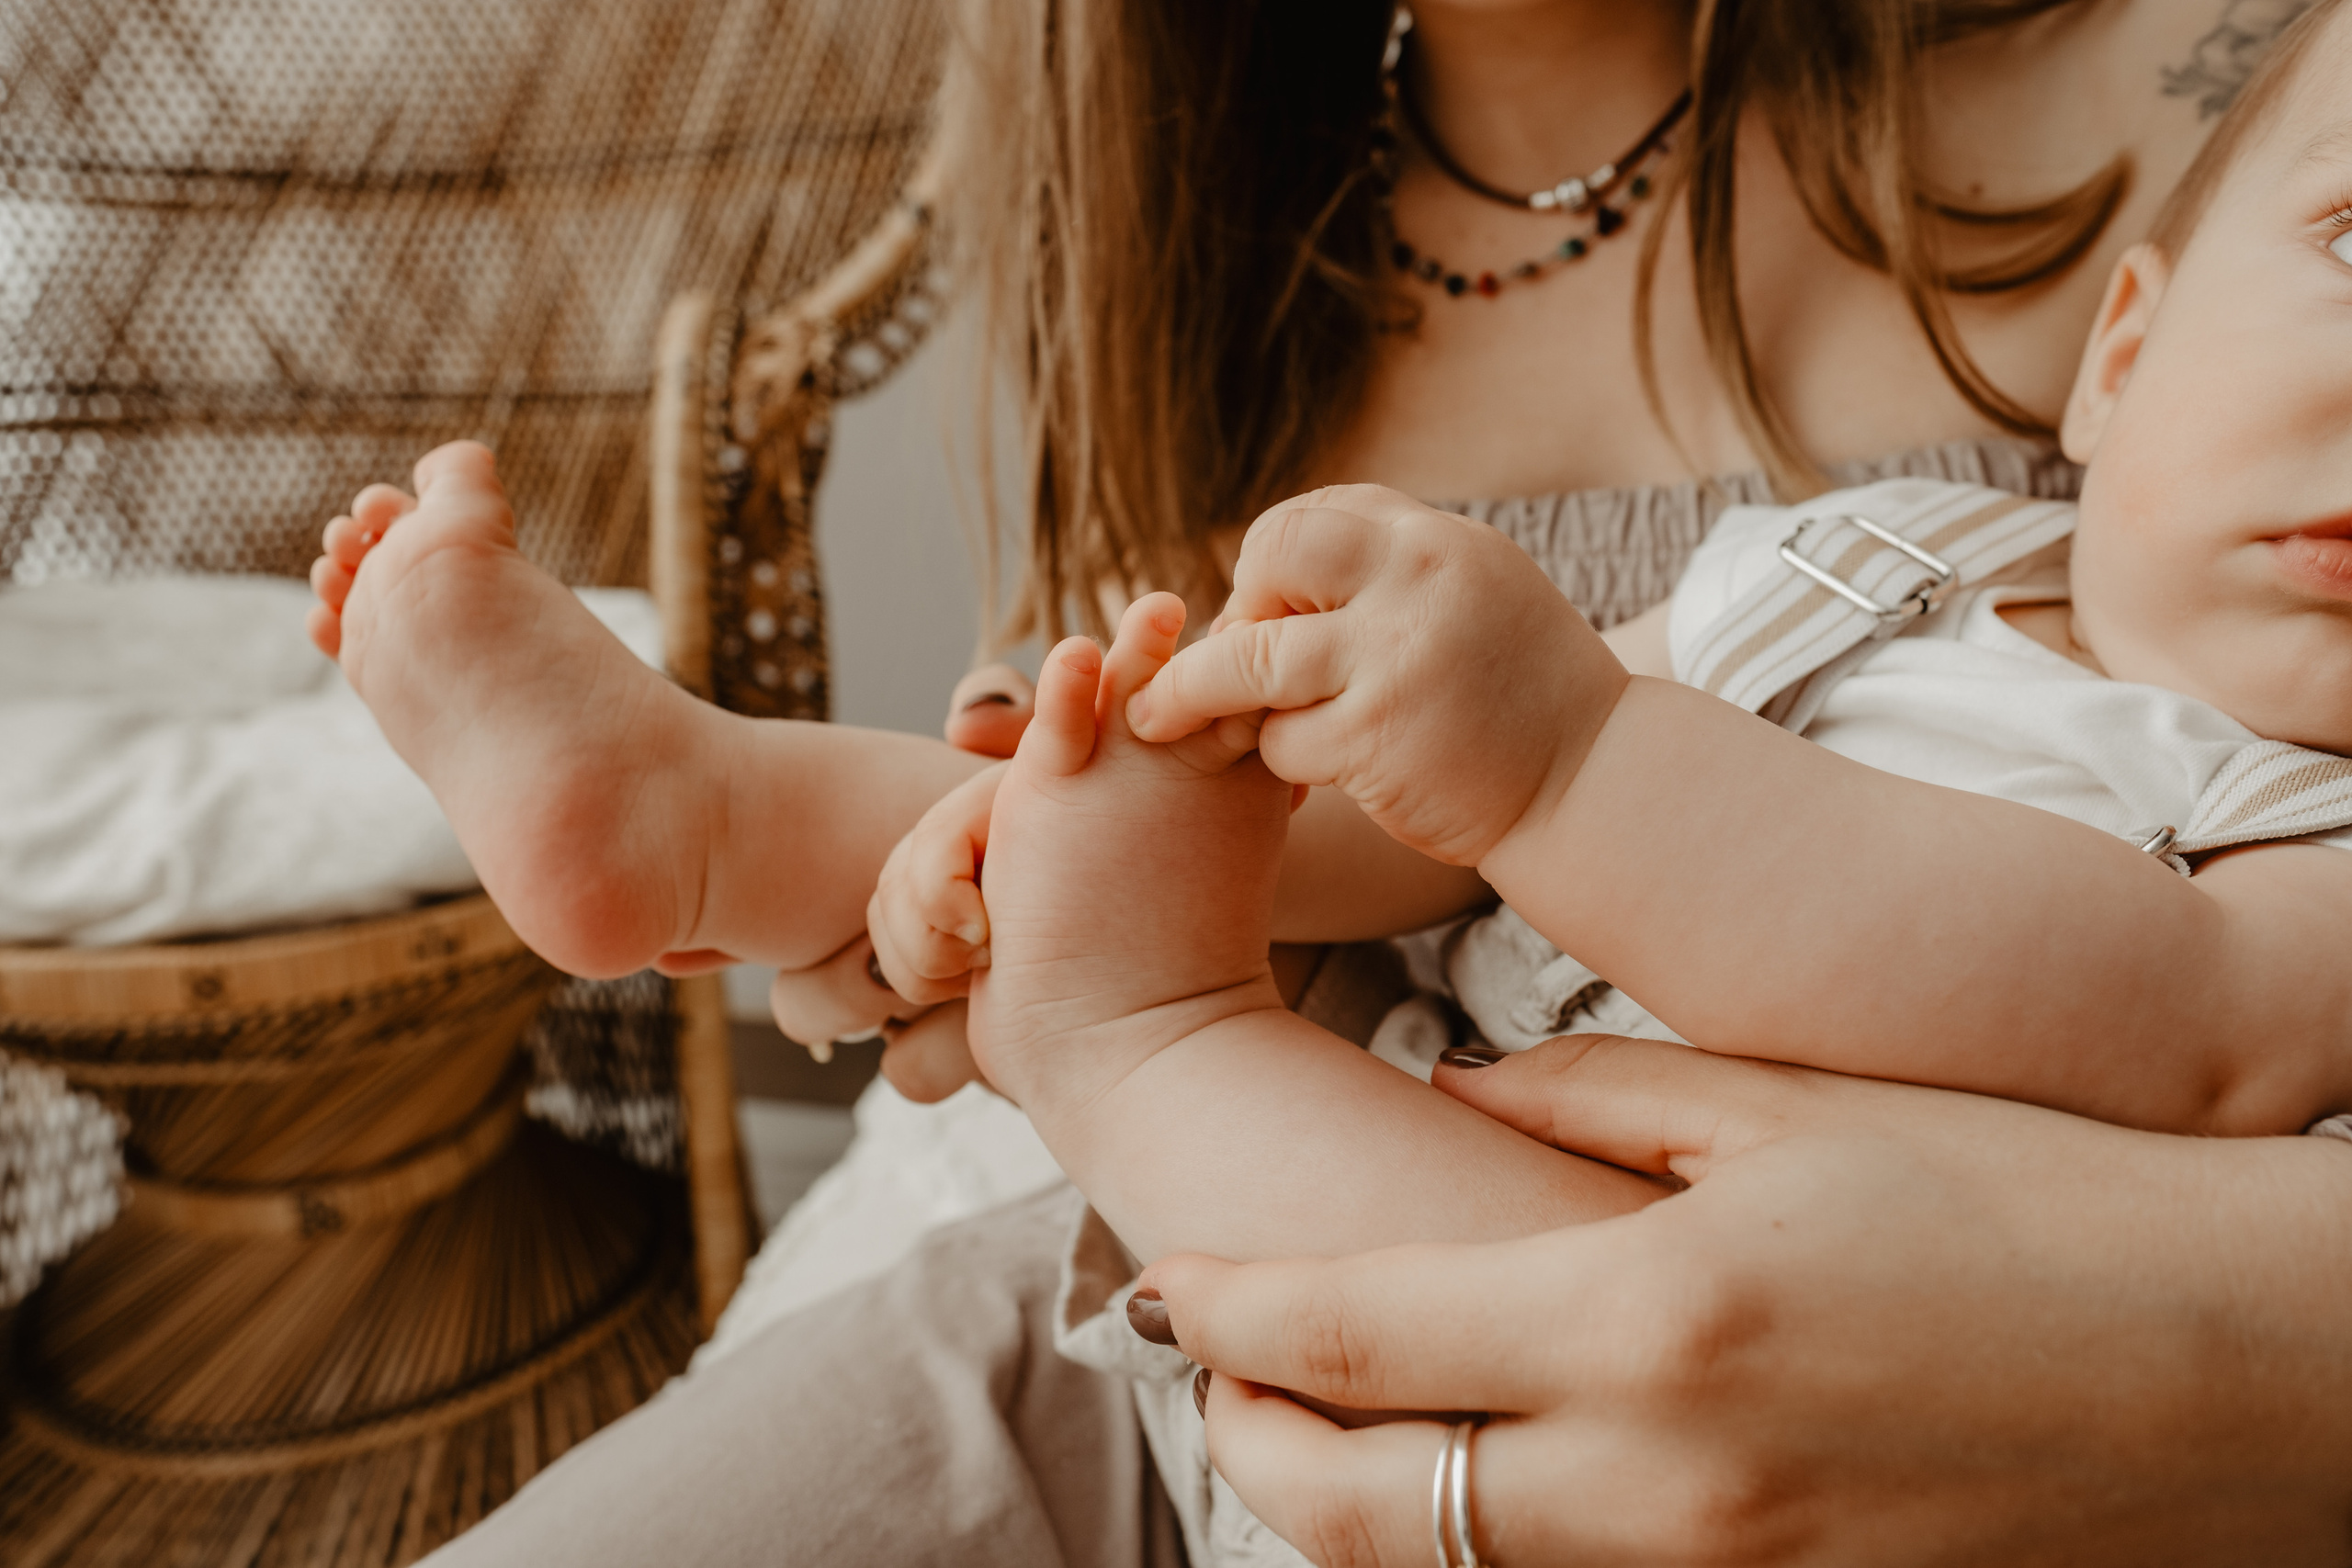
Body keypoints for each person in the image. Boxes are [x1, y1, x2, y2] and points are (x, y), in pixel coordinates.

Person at [338, 1, 2309, 1562]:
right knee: (1205, 780)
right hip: (1296, 1115)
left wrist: (1547, 759)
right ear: (2113, 360)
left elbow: (2159, 999)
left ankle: (1111, 1010)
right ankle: (727, 814)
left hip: (1759, 1248)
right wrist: (1049, 808)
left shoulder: (2197, 78)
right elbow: (1394, 806)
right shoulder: (1208, 222)